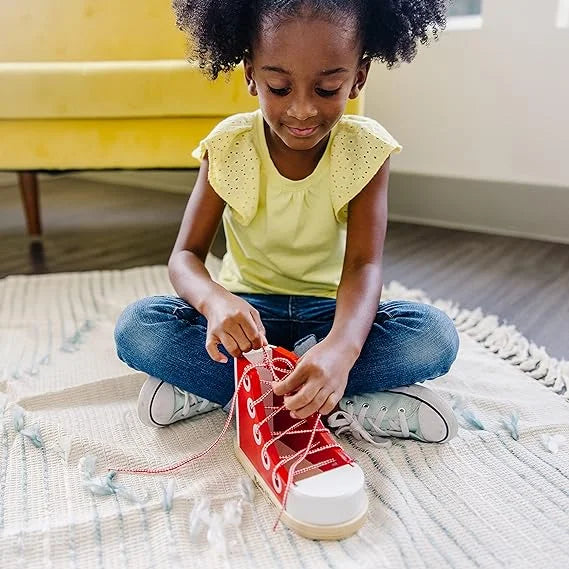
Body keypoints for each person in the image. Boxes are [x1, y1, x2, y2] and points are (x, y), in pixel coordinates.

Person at [114, 0, 459, 447]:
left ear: (358, 76)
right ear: (251, 74)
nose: (301, 111)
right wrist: (216, 303)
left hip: (329, 315)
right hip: (247, 324)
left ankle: (239, 391)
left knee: (432, 336)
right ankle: (327, 397)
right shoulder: (229, 145)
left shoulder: (366, 151)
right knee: (139, 326)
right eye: (279, 87)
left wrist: (341, 349)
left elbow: (363, 267)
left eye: (327, 88)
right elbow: (185, 257)